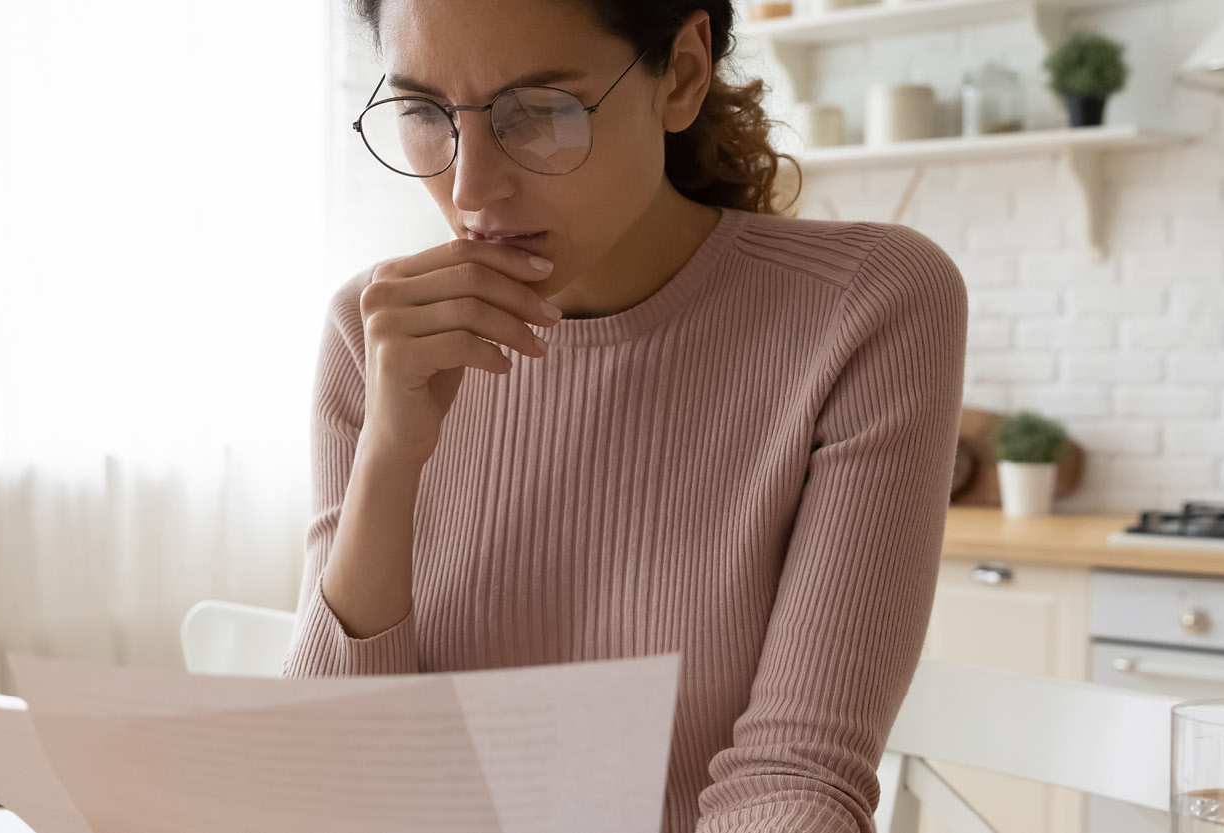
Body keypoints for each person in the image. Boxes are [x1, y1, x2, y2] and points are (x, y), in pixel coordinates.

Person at [279, 1, 971, 831]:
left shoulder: (865, 308)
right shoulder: (373, 331)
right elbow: (326, 786)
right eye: (425, 113)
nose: (469, 187)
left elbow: (796, 780)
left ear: (680, 75)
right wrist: (391, 459)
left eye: (537, 111)